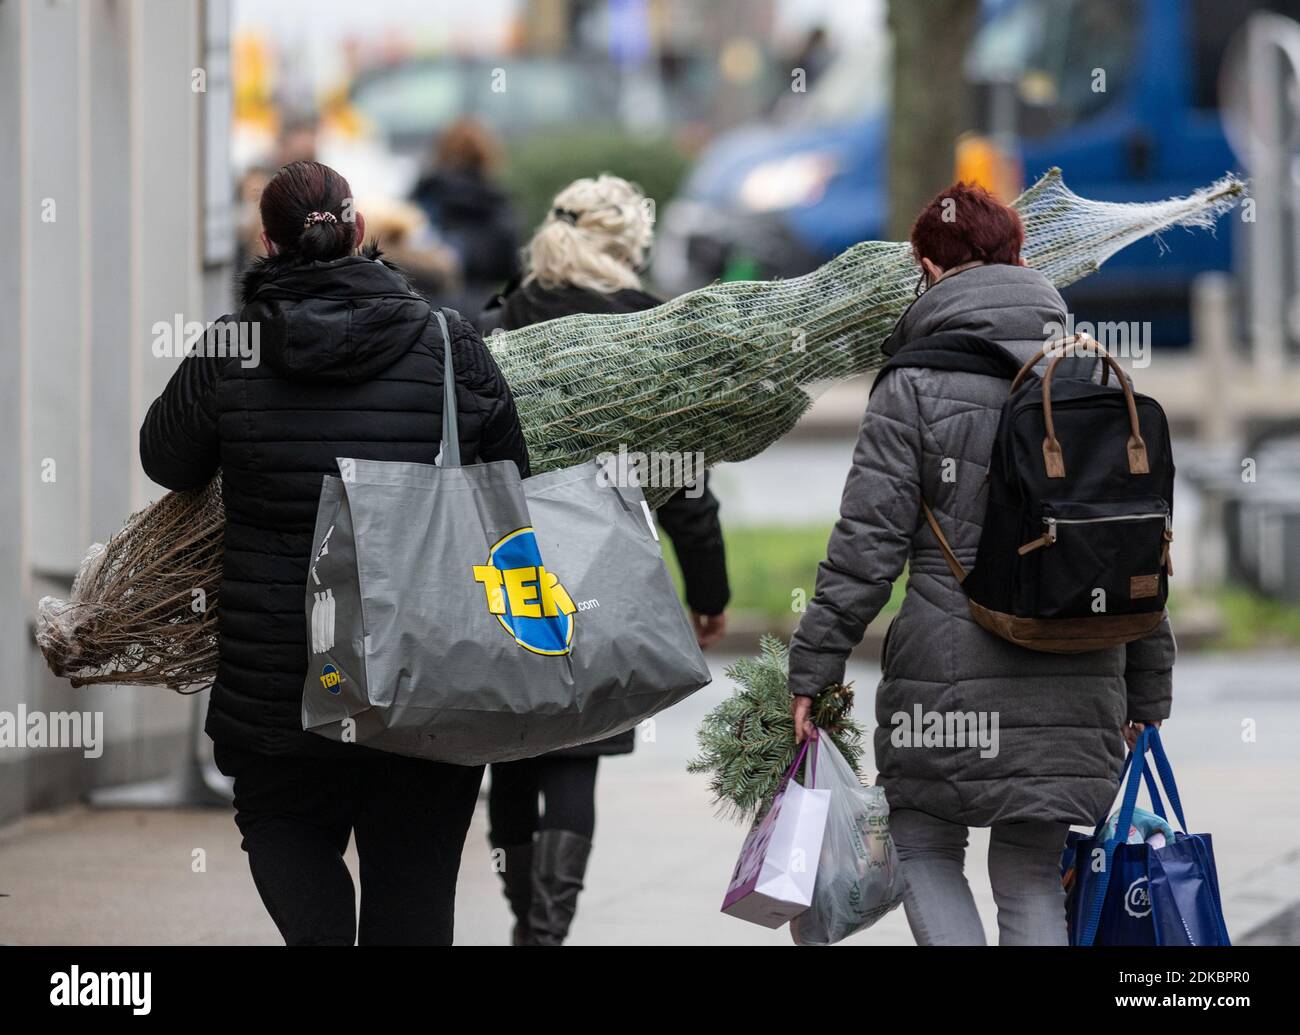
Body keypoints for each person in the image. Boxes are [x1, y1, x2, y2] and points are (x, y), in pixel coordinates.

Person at [139, 160, 530, 946]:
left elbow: (165, 460)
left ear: (267, 242)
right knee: (415, 885)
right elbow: (511, 485)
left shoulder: (233, 348)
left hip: (279, 679)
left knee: (283, 825)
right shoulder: (450, 345)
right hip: (419, 674)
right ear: (360, 231)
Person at [787, 181, 1175, 946]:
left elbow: (866, 548)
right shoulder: (1096, 378)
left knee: (925, 842)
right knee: (1031, 873)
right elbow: (1141, 547)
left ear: (927, 268)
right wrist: (1147, 689)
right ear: (1022, 255)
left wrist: (814, 669)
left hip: (946, 673)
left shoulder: (912, 384)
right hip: (1082, 666)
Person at [481, 174, 731, 945]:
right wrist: (708, 588)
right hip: (604, 569)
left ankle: (527, 915)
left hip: (507, 556)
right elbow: (684, 476)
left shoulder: (501, 317)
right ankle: (547, 931)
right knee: (575, 754)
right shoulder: (649, 327)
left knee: (513, 749)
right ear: (625, 246)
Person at [410, 117, 520, 315]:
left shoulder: (423, 197)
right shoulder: (497, 204)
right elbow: (510, 267)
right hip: (478, 309)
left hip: (420, 305)